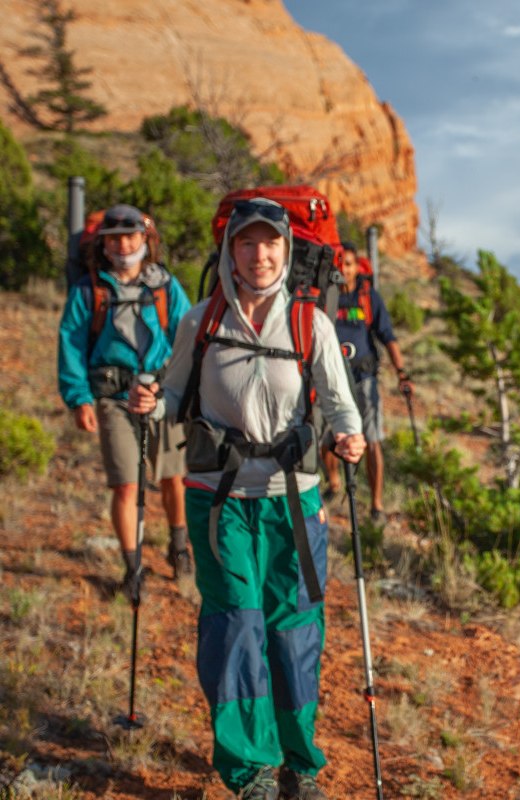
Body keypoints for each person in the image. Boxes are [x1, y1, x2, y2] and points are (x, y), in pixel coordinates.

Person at [130, 198, 366, 800]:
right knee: (235, 621)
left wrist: (350, 433)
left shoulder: (310, 322)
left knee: (294, 628)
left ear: (286, 251)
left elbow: (338, 400)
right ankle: (251, 768)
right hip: (220, 496)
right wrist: (147, 404)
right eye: (246, 244)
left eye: (270, 244)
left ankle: (299, 763)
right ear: (229, 250)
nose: (258, 256)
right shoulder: (201, 321)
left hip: (294, 498)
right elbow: (173, 393)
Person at [57, 203, 192, 598]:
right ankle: (133, 569)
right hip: (114, 397)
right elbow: (71, 342)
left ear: (145, 240)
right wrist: (79, 398)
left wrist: (180, 386)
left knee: (173, 478)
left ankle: (178, 546)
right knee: (126, 485)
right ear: (103, 244)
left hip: (160, 393)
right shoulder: (91, 290)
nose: (122, 244)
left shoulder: (165, 286)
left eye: (130, 236)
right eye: (114, 238)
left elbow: (186, 336)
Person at [320, 241, 412, 523]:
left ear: (358, 267)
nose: (343, 269)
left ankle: (376, 504)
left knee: (372, 440)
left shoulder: (368, 296)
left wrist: (402, 373)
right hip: (331, 380)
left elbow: (388, 336)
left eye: (348, 264)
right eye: (339, 263)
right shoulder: (326, 296)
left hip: (364, 378)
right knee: (325, 438)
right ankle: (334, 484)